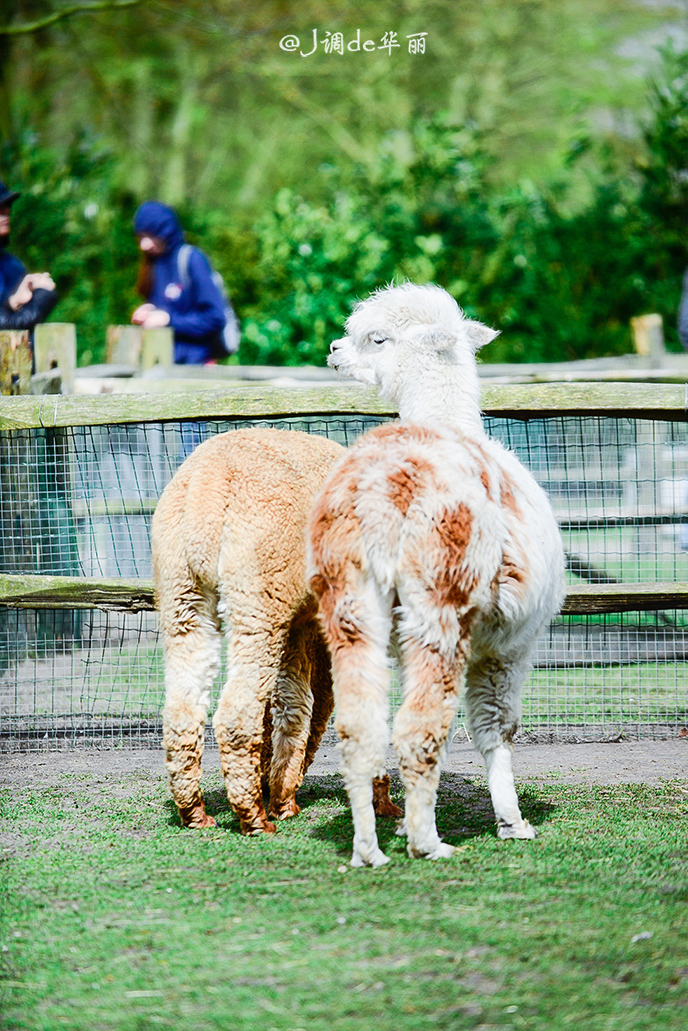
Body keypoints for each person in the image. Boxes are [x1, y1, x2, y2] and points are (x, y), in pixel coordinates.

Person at [131, 200, 226, 365]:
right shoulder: (154, 265)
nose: (143, 245)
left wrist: (168, 320)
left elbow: (215, 318)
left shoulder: (192, 260)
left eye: (150, 236)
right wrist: (151, 311)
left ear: (165, 231)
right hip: (162, 366)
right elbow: (170, 307)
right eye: (141, 237)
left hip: (195, 368)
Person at [0, 180, 58, 332]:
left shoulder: (12, 265)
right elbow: (11, 325)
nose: (6, 211)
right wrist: (43, 296)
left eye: (7, 206)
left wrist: (13, 301)